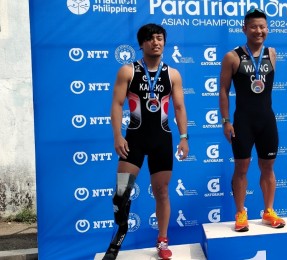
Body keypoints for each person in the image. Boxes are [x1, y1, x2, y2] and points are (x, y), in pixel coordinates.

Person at [102, 23, 189, 260]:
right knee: (122, 192)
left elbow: (180, 107)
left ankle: (162, 241)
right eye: (150, 39)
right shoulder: (128, 71)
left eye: (159, 38)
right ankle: (119, 234)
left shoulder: (173, 74)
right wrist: (118, 135)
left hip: (162, 139)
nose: (156, 42)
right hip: (134, 139)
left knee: (162, 191)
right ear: (141, 44)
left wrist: (183, 137)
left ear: (165, 42)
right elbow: (117, 105)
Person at [219, 8, 285, 232]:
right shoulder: (233, 56)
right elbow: (223, 90)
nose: (259, 31)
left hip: (267, 120)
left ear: (267, 29)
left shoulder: (272, 53)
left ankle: (268, 210)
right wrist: (226, 121)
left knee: (268, 167)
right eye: (254, 27)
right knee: (242, 168)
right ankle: (240, 213)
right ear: (244, 29)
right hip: (243, 121)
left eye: (262, 26)